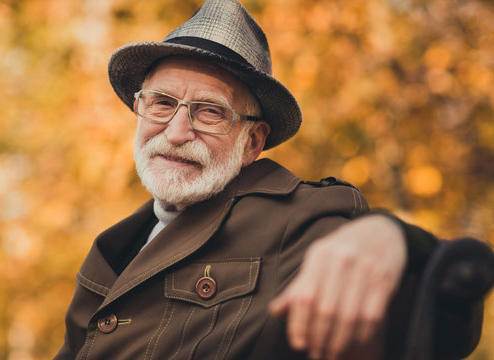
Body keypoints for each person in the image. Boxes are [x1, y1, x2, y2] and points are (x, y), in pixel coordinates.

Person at [55, 1, 484, 359]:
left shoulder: (302, 218)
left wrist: (395, 239)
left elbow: (432, 322)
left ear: (252, 141)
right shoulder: (115, 247)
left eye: (209, 111)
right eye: (162, 103)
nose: (177, 131)